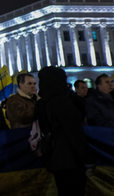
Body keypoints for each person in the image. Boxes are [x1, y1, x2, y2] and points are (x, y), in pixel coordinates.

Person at [32, 67, 96, 195]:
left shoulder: (43, 102)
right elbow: (74, 133)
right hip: (70, 159)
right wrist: (88, 160)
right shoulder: (61, 101)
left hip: (55, 159)